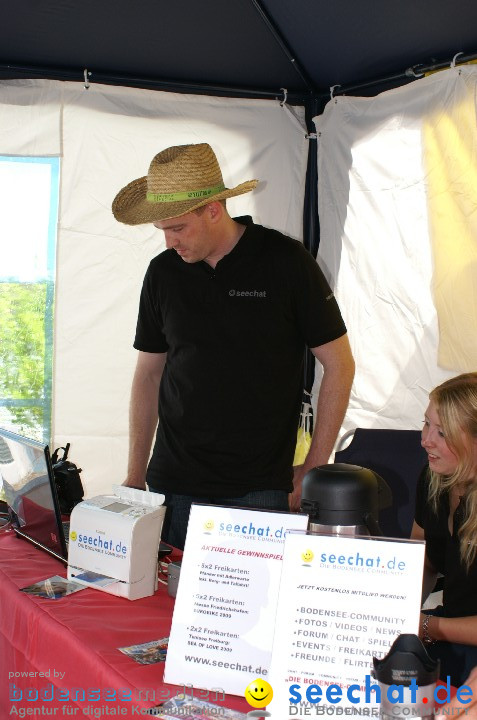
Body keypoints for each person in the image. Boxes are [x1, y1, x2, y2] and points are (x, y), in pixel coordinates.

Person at [112, 142, 355, 549]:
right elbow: (149, 374)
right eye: (163, 231)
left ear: (213, 209)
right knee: (166, 607)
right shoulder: (163, 274)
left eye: (178, 228)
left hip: (258, 489)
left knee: (251, 609)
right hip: (173, 485)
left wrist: (314, 467)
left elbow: (340, 364)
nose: (170, 242)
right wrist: (136, 473)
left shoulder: (285, 261)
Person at [411, 372, 477, 687]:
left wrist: (427, 627)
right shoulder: (433, 478)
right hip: (448, 632)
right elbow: (420, 559)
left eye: (442, 432)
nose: (426, 439)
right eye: (426, 424)